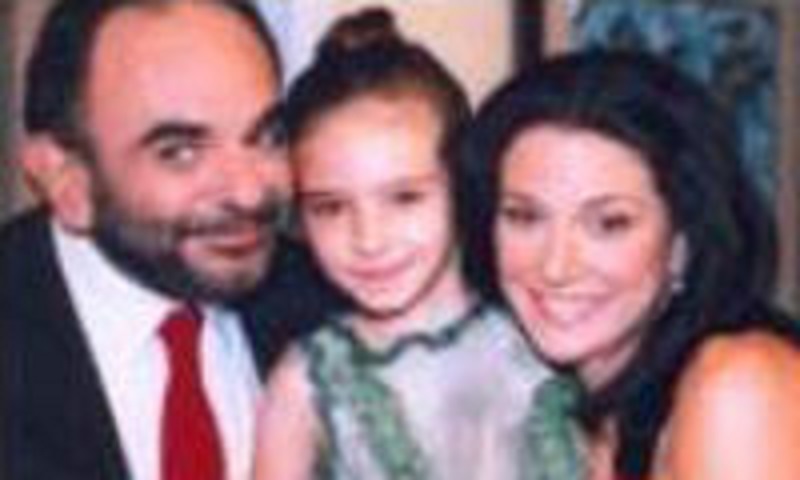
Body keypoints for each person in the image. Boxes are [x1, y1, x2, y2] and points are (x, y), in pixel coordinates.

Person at [0, 0, 332, 478]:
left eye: (267, 136)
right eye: (181, 152)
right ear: (66, 180)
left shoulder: (336, 307)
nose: (248, 191)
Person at [469, 49, 800, 479]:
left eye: (610, 223)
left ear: (682, 240)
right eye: (525, 217)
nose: (555, 267)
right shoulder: (578, 414)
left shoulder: (739, 384)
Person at [254, 8, 555, 480]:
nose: (368, 239)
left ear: (460, 181)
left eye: (404, 198)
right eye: (331, 207)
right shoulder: (304, 386)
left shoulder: (546, 331)